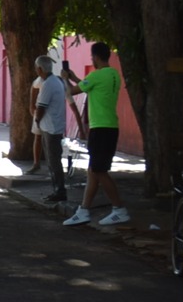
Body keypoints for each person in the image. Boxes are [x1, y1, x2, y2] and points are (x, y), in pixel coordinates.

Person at [59, 43, 129, 226]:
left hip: (101, 128)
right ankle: (84, 210)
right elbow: (90, 86)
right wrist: (73, 77)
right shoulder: (113, 74)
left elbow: (71, 92)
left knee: (99, 170)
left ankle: (119, 208)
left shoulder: (96, 76)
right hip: (110, 126)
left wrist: (66, 79)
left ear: (96, 57)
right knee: (93, 170)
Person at [34, 54, 69, 203]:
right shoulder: (57, 81)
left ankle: (59, 190)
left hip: (50, 127)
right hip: (55, 125)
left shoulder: (48, 84)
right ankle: (57, 189)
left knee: (53, 161)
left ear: (40, 69)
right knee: (53, 160)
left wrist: (37, 119)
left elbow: (41, 107)